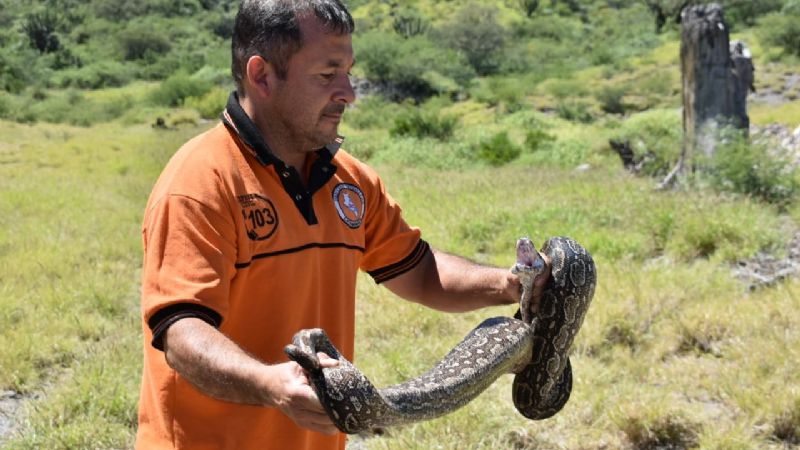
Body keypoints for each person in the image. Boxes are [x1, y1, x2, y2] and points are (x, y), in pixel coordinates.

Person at [135, 1, 550, 449]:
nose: (349, 92)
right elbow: (181, 333)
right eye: (327, 75)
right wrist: (270, 384)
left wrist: (512, 285)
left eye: (349, 72)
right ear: (262, 76)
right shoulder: (200, 182)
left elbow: (421, 272)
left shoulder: (350, 182)